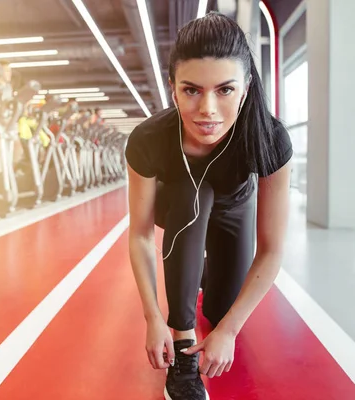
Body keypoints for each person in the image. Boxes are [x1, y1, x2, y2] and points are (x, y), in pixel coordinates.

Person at [125, 12, 292, 400]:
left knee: (219, 312)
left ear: (246, 88)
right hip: (180, 207)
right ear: (173, 89)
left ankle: (202, 274)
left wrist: (229, 330)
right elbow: (139, 233)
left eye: (225, 90)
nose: (208, 111)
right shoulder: (148, 140)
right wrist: (154, 318)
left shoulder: (270, 140)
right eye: (192, 90)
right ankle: (183, 354)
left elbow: (271, 250)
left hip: (235, 207)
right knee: (190, 193)